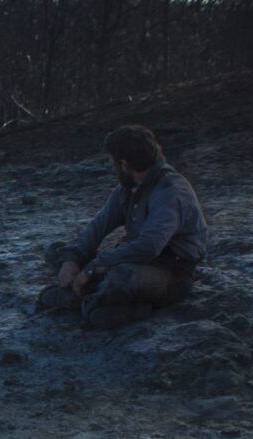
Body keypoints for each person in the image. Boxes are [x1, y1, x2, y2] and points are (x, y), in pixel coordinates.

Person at [37, 125, 208, 328]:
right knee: (58, 251)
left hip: (171, 274)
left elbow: (148, 246)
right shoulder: (128, 188)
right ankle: (93, 301)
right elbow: (97, 227)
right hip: (131, 261)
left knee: (121, 277)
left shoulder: (170, 190)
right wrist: (71, 259)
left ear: (124, 164)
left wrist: (92, 269)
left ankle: (84, 300)